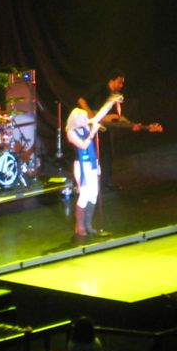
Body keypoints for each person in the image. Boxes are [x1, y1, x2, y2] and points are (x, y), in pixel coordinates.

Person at [67, 93, 123, 241]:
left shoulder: (85, 125)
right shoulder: (71, 132)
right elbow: (83, 145)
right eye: (83, 119)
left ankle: (88, 223)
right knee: (84, 194)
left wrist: (111, 101)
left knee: (93, 194)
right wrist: (92, 132)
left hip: (92, 164)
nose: (87, 120)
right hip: (81, 166)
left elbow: (100, 115)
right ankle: (79, 226)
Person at [77, 71, 139, 191]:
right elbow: (81, 100)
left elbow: (117, 116)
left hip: (102, 127)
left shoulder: (115, 96)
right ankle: (90, 184)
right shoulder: (100, 88)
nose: (121, 85)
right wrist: (91, 115)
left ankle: (106, 183)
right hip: (88, 126)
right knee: (92, 155)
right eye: (119, 82)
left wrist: (131, 124)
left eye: (122, 83)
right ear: (112, 80)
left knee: (107, 154)